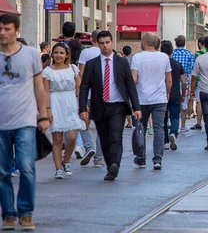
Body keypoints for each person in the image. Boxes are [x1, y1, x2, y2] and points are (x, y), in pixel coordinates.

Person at [0, 14, 50, 231]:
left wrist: (44, 114)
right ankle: (9, 214)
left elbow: (39, 86)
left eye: (7, 28)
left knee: (26, 167)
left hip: (25, 120)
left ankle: (26, 213)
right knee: (2, 172)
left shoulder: (30, 54)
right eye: (0, 28)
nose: (3, 32)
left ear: (16, 31)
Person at [78, 31, 141, 181]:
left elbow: (130, 85)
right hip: (99, 105)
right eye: (102, 43)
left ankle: (115, 164)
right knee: (104, 139)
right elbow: (84, 86)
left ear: (112, 43)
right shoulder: (92, 64)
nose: (105, 46)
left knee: (115, 136)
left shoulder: (121, 62)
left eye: (107, 42)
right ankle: (109, 167)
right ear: (97, 44)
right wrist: (82, 108)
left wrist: (136, 107)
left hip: (117, 106)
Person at [43, 43, 86, 179]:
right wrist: (47, 109)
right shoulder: (47, 71)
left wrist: (82, 106)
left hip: (71, 102)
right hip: (55, 102)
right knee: (57, 139)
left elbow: (79, 88)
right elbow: (45, 92)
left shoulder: (73, 69)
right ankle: (58, 169)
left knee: (72, 136)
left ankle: (66, 160)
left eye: (61, 53)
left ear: (66, 54)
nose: (58, 55)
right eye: (56, 52)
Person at [131, 33, 172, 170]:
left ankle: (141, 158)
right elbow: (169, 79)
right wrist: (167, 92)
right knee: (159, 128)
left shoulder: (137, 57)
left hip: (142, 99)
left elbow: (134, 79)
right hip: (160, 98)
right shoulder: (164, 57)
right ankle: (158, 159)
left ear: (144, 42)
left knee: (140, 128)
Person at [76, 29, 103, 167]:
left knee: (83, 123)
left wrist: (80, 93)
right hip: (103, 96)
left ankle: (89, 146)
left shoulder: (86, 52)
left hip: (87, 94)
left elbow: (80, 74)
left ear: (91, 40)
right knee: (101, 128)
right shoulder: (108, 53)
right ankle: (99, 159)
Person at [160, 40, 186, 151]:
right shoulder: (177, 64)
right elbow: (184, 82)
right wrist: (183, 94)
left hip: (162, 94)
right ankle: (174, 134)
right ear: (172, 51)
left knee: (163, 119)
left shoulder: (160, 64)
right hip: (175, 94)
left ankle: (165, 141)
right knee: (175, 116)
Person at [172, 35, 195, 133]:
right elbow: (191, 72)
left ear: (176, 43)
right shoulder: (189, 54)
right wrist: (190, 87)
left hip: (172, 83)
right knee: (183, 106)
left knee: (172, 105)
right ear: (184, 43)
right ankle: (182, 127)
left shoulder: (172, 54)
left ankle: (173, 125)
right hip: (184, 83)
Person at [191, 37, 206, 130]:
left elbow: (195, 70)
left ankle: (199, 122)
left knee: (199, 102)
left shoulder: (198, 54)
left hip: (200, 79)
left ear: (200, 44)